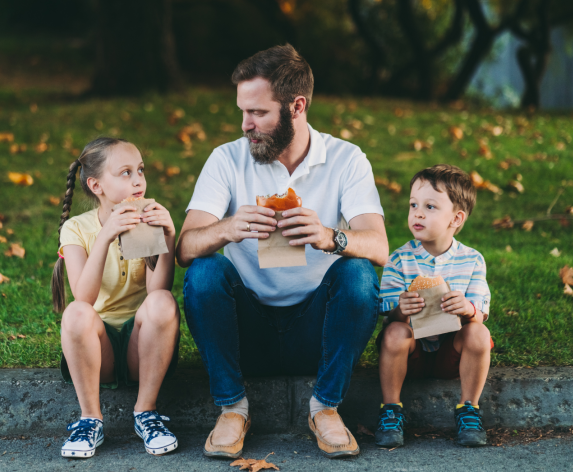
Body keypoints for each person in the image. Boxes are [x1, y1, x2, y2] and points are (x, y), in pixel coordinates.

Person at [177, 44, 388, 459]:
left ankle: (325, 406)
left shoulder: (347, 159)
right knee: (204, 271)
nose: (245, 125)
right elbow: (184, 248)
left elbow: (379, 246)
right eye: (242, 111)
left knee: (359, 274)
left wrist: (330, 237)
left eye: (258, 113)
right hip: (245, 330)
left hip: (318, 330)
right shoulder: (226, 159)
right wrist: (228, 228)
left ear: (296, 106)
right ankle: (232, 408)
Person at [50, 137, 180, 458]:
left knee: (164, 302)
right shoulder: (76, 229)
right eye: (125, 173)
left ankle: (146, 412)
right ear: (96, 185)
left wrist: (168, 237)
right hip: (98, 351)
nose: (138, 180)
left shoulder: (146, 217)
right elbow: (84, 296)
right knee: (75, 312)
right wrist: (106, 236)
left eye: (140, 170)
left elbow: (157, 291)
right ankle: (90, 419)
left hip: (144, 347)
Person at [375, 164, 492, 448]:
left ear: (456, 218)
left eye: (430, 206)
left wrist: (466, 308)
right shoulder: (399, 259)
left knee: (479, 333)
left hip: (451, 354)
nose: (417, 212)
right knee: (394, 332)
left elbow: (481, 310)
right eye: (413, 204)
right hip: (410, 353)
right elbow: (386, 312)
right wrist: (402, 307)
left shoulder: (472, 259)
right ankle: (391, 409)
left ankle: (469, 410)